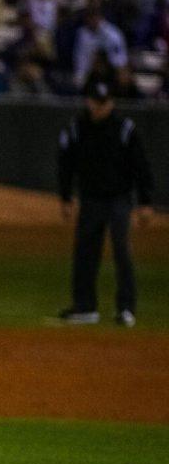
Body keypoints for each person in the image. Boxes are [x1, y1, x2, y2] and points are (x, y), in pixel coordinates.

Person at [56, 81, 154, 327]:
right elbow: (66, 164)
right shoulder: (77, 128)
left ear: (111, 102)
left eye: (104, 103)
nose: (99, 108)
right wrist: (66, 196)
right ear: (88, 101)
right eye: (95, 102)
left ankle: (126, 308)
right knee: (85, 253)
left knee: (122, 252)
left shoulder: (124, 129)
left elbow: (141, 167)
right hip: (90, 199)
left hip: (119, 199)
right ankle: (85, 307)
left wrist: (145, 202)